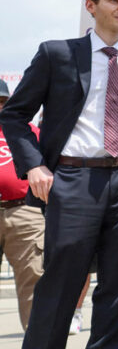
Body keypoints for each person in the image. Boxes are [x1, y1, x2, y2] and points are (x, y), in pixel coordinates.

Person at [0, 0, 118, 349]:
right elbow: (14, 115)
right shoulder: (57, 54)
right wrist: (34, 166)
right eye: (115, 1)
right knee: (61, 281)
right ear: (91, 6)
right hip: (74, 179)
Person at [0, 79, 45, 332]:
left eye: (3, 102)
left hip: (24, 211)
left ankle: (37, 346)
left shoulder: (27, 131)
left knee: (34, 283)